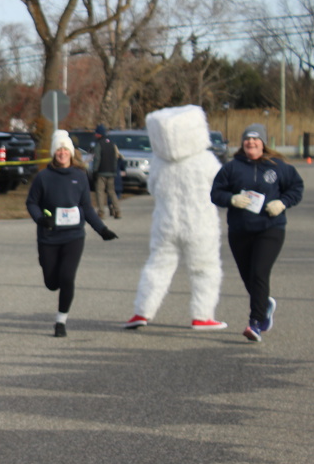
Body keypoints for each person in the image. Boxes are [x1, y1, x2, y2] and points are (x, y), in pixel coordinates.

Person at [122, 105, 227, 331]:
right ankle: (202, 315)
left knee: (157, 266)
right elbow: (221, 187)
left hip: (166, 223)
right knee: (204, 268)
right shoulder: (205, 160)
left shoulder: (159, 162)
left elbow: (152, 188)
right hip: (200, 222)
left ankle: (142, 311)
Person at [210, 123, 304, 342]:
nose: (251, 142)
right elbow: (216, 193)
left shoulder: (278, 167)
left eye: (255, 139)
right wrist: (231, 199)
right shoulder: (231, 168)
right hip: (240, 230)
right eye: (247, 139)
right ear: (243, 143)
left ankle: (256, 323)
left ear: (263, 143)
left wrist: (282, 202)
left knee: (259, 273)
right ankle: (264, 304)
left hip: (270, 228)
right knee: (248, 277)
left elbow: (296, 188)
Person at [26, 130, 118, 337]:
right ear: (54, 152)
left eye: (65, 150)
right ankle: (50, 273)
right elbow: (31, 203)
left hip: (73, 236)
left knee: (67, 277)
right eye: (59, 150)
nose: (62, 153)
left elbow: (86, 207)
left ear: (70, 152)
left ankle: (61, 321)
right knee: (52, 283)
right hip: (48, 236)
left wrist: (102, 230)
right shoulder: (43, 177)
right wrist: (41, 219)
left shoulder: (79, 176)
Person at [91, 124, 125, 218]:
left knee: (100, 192)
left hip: (101, 172)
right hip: (111, 172)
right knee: (111, 192)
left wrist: (94, 171)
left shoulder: (99, 144)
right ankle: (117, 211)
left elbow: (97, 159)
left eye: (96, 133)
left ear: (99, 134)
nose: (95, 135)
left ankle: (101, 212)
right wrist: (114, 170)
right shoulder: (112, 144)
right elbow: (115, 158)